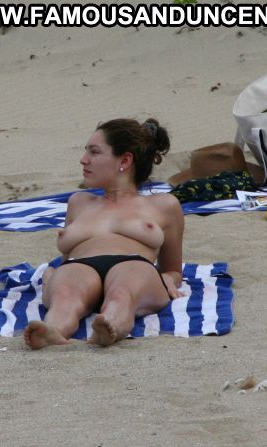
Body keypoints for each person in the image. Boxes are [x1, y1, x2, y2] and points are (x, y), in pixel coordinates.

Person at [23, 118, 185, 349]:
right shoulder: (78, 202)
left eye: (94, 152)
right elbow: (67, 258)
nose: (84, 160)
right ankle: (53, 330)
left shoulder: (163, 205)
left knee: (121, 294)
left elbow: (173, 269)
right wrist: (52, 274)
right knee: (66, 296)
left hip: (133, 264)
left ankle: (110, 326)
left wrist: (167, 277)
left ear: (125, 160)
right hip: (80, 264)